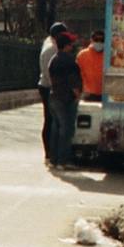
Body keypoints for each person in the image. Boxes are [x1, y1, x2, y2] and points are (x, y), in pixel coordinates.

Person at [46, 32, 83, 168]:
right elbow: (74, 82)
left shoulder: (53, 60)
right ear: (67, 46)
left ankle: (53, 159)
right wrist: (78, 95)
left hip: (54, 96)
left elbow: (51, 79)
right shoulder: (70, 61)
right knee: (66, 130)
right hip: (66, 99)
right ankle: (63, 160)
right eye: (70, 44)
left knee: (55, 128)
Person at [38, 22, 68, 155]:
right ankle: (50, 151)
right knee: (51, 119)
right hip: (49, 87)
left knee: (50, 118)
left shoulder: (49, 43)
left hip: (46, 85)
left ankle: (50, 151)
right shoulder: (52, 49)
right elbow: (49, 72)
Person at [78, 29, 105, 102]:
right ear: (91, 40)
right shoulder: (82, 55)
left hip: (105, 94)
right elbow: (77, 74)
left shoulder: (108, 56)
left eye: (102, 40)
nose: (99, 42)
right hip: (88, 94)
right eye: (96, 39)